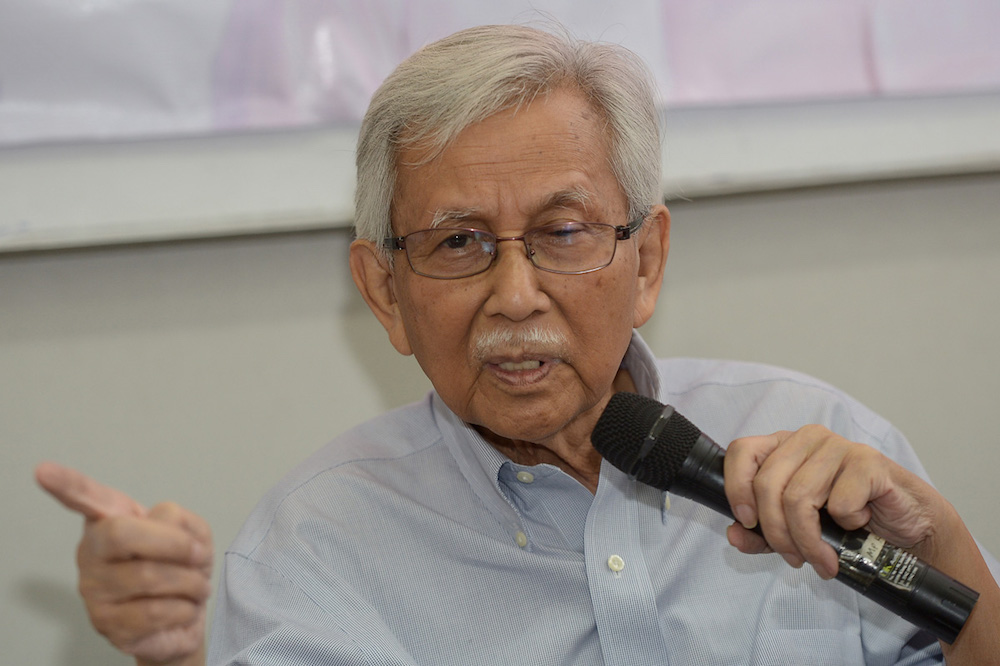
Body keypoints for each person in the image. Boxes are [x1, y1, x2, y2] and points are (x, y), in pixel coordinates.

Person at [37, 24, 999, 666]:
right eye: (456, 243)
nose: (515, 292)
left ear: (648, 259)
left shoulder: (815, 446)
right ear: (387, 295)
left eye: (564, 230)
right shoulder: (315, 549)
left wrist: (942, 546)